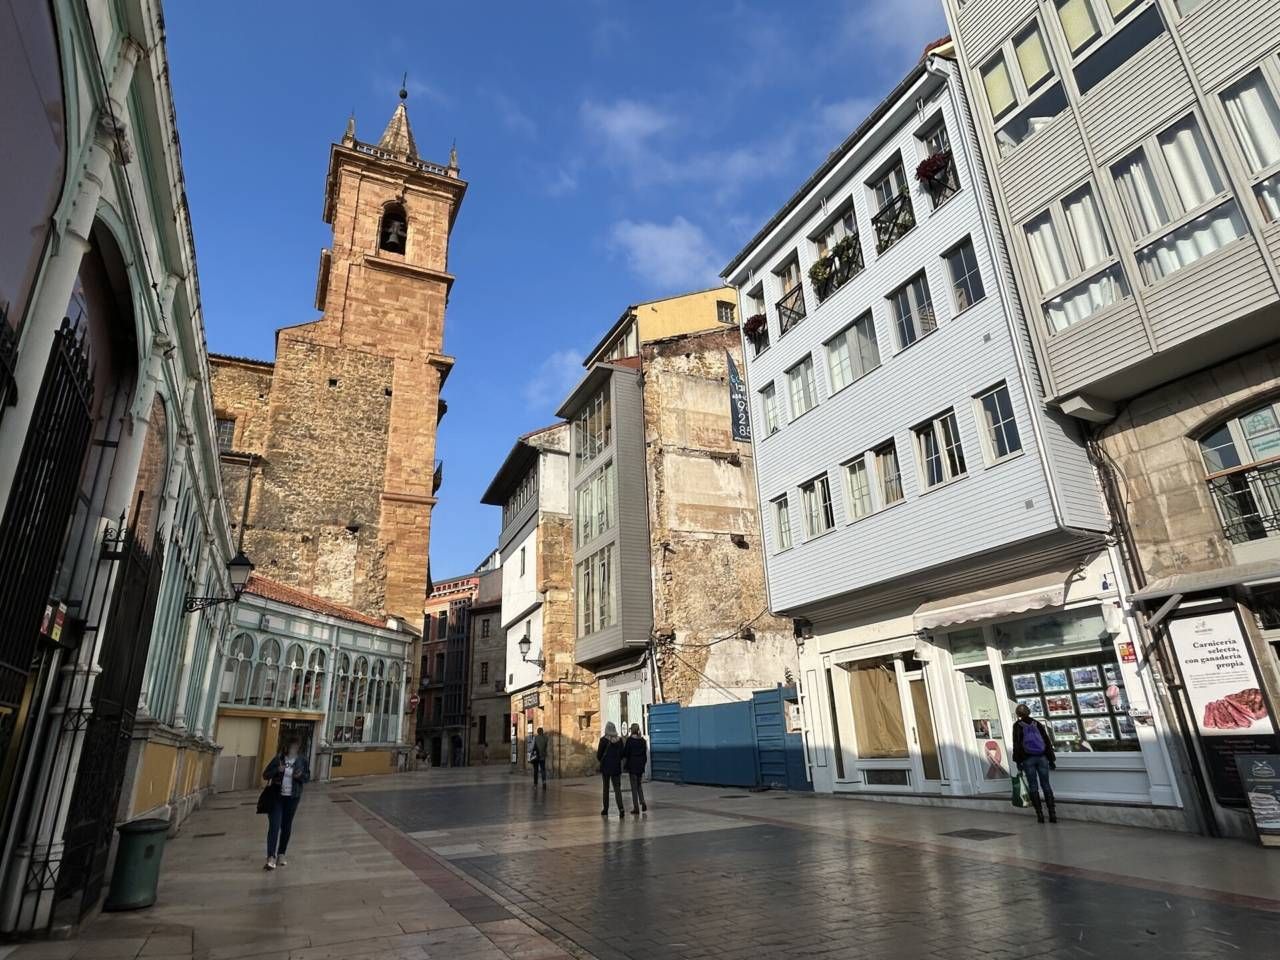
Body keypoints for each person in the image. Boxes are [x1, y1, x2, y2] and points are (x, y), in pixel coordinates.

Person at [262, 738, 310, 869]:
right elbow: (265, 775)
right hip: (276, 797)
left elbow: (307, 778)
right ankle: (271, 856)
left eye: (296, 747)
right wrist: (278, 770)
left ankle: (281, 854)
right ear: (287, 747)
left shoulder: (302, 760)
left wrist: (299, 776)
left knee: (286, 827)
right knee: (274, 826)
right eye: (292, 746)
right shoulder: (279, 759)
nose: (294, 749)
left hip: (293, 798)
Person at [1012, 704, 1056, 824]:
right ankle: (1052, 814)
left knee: (1033, 786)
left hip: (1028, 759)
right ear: (1029, 712)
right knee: (1046, 785)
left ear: (1018, 714)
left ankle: (1040, 815)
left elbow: (1016, 744)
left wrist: (1018, 761)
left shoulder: (1017, 726)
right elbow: (1046, 740)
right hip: (1042, 757)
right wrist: (1051, 759)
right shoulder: (1037, 724)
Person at [597, 722, 625, 817]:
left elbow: (599, 755)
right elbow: (622, 754)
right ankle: (621, 809)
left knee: (606, 788)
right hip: (616, 768)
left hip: (605, 768)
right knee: (617, 789)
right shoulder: (619, 740)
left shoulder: (603, 740)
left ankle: (605, 809)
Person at [621, 723, 648, 814]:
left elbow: (625, 753)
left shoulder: (629, 741)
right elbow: (645, 755)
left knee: (633, 787)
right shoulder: (643, 741)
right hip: (640, 766)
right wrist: (643, 764)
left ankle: (636, 807)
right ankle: (643, 801)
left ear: (632, 730)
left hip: (632, 766)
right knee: (639, 785)